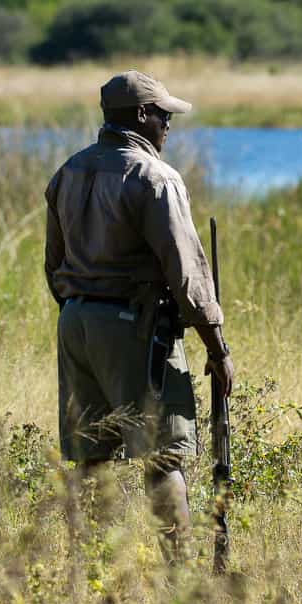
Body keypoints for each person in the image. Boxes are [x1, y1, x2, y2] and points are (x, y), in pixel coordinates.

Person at [44, 70, 235, 563]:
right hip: (134, 327)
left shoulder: (69, 171)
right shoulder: (154, 178)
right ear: (142, 116)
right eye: (164, 114)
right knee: (164, 453)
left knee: (91, 457)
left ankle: (89, 574)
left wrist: (83, 310)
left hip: (76, 324)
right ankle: (182, 576)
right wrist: (217, 347)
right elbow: (188, 272)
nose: (169, 124)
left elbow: (53, 263)